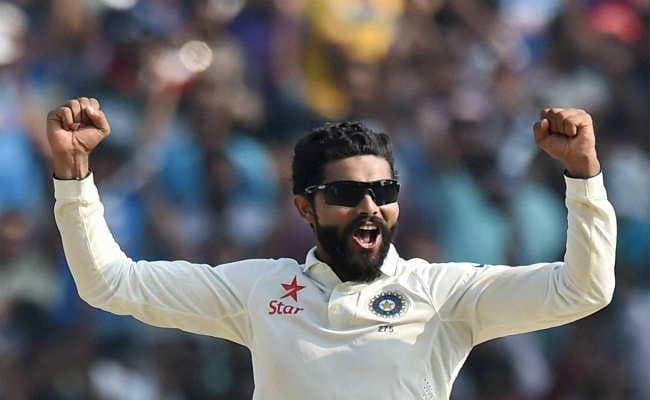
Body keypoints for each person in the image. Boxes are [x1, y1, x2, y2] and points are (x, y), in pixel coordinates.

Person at [48, 97, 615, 399]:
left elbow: (583, 290)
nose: (370, 207)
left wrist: (584, 177)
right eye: (346, 194)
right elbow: (110, 283)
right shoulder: (259, 290)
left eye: (383, 192)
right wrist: (74, 177)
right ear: (305, 208)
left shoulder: (445, 293)